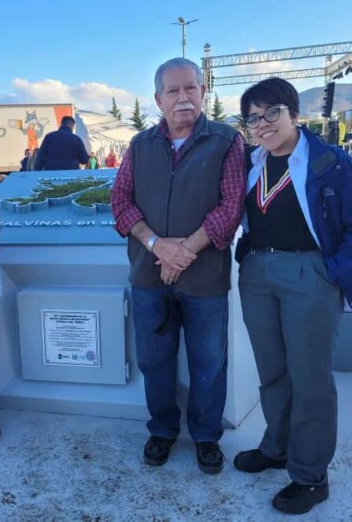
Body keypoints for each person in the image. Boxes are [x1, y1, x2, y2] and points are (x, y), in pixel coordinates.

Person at [234, 77, 352, 515]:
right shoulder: (250, 162)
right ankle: (277, 447)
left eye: (272, 113)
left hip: (310, 272)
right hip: (258, 273)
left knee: (310, 378)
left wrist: (333, 274)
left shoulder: (332, 164)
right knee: (272, 371)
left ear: (293, 114)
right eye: (253, 117)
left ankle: (310, 475)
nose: (263, 124)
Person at [111, 58, 246, 475]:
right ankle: (163, 430)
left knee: (209, 361)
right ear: (158, 99)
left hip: (204, 278)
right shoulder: (139, 145)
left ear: (203, 92)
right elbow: (121, 203)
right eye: (173, 91)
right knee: (154, 359)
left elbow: (231, 207)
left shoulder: (227, 141)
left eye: (191, 88)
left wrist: (182, 251)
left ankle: (206, 436)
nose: (183, 97)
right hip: (149, 276)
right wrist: (156, 245)